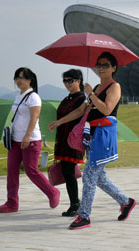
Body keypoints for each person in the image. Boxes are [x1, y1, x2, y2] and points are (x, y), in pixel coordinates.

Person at [49, 52, 136, 230]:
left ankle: (84, 215)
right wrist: (60, 121)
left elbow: (107, 109)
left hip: (103, 136)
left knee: (89, 175)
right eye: (99, 64)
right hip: (91, 136)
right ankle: (126, 202)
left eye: (105, 65)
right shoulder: (96, 88)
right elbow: (82, 110)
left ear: (113, 68)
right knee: (99, 177)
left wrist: (91, 94)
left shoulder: (114, 87)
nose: (101, 68)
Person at [0, 68, 60, 213]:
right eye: (16, 78)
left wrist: (27, 136)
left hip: (30, 140)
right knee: (11, 171)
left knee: (31, 171)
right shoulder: (19, 96)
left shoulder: (33, 97)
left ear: (30, 80)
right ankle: (12, 203)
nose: (18, 81)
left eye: (22, 78)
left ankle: (52, 192)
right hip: (14, 140)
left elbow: (34, 117)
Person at [53, 69, 86, 216]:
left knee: (68, 172)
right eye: (65, 81)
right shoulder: (67, 98)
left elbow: (78, 113)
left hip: (73, 141)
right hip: (63, 140)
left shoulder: (82, 98)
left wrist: (59, 122)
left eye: (70, 80)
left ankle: (75, 205)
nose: (67, 84)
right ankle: (75, 203)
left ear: (79, 81)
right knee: (67, 172)